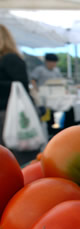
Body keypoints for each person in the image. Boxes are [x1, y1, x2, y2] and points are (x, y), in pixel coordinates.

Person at [0, 24, 39, 165]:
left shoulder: (10, 59)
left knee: (19, 158)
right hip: (8, 113)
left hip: (11, 113)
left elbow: (20, 85)